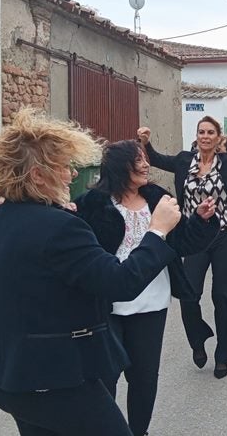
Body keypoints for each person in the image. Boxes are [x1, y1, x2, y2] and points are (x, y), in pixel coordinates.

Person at [0, 109, 216, 436]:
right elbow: (120, 283)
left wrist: (27, 207)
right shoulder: (62, 227)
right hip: (55, 380)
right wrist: (157, 232)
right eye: (64, 167)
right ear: (38, 175)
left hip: (4, 379)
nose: (70, 175)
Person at [73, 140, 216, 436]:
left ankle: (139, 431)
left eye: (144, 159)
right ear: (118, 166)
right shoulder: (92, 204)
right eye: (136, 160)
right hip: (107, 305)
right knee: (105, 377)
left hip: (152, 304)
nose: (144, 164)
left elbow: (184, 243)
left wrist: (202, 220)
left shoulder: (157, 199)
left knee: (144, 377)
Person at [138, 118, 227, 380]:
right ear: (197, 135)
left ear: (218, 137)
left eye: (210, 132)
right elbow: (154, 158)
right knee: (189, 294)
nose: (205, 136)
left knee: (223, 297)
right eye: (201, 132)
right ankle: (198, 341)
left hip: (225, 235)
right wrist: (145, 141)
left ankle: (223, 356)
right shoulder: (184, 160)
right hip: (193, 236)